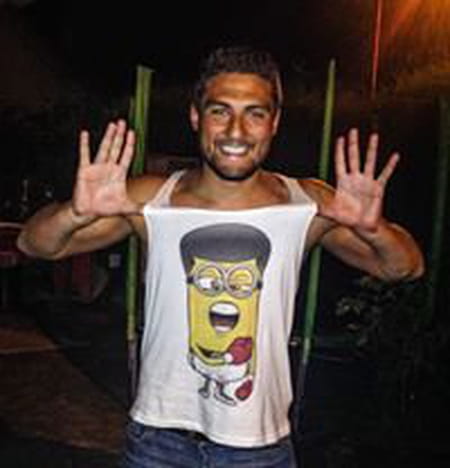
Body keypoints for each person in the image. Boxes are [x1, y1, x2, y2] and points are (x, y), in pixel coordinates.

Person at [17, 46, 424, 467]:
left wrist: (375, 230)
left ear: (274, 123)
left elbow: (405, 267)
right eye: (220, 111)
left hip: (259, 449)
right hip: (158, 442)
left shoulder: (307, 203)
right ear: (196, 117)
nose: (236, 131)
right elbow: (36, 244)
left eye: (255, 113)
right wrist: (74, 212)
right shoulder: (151, 199)